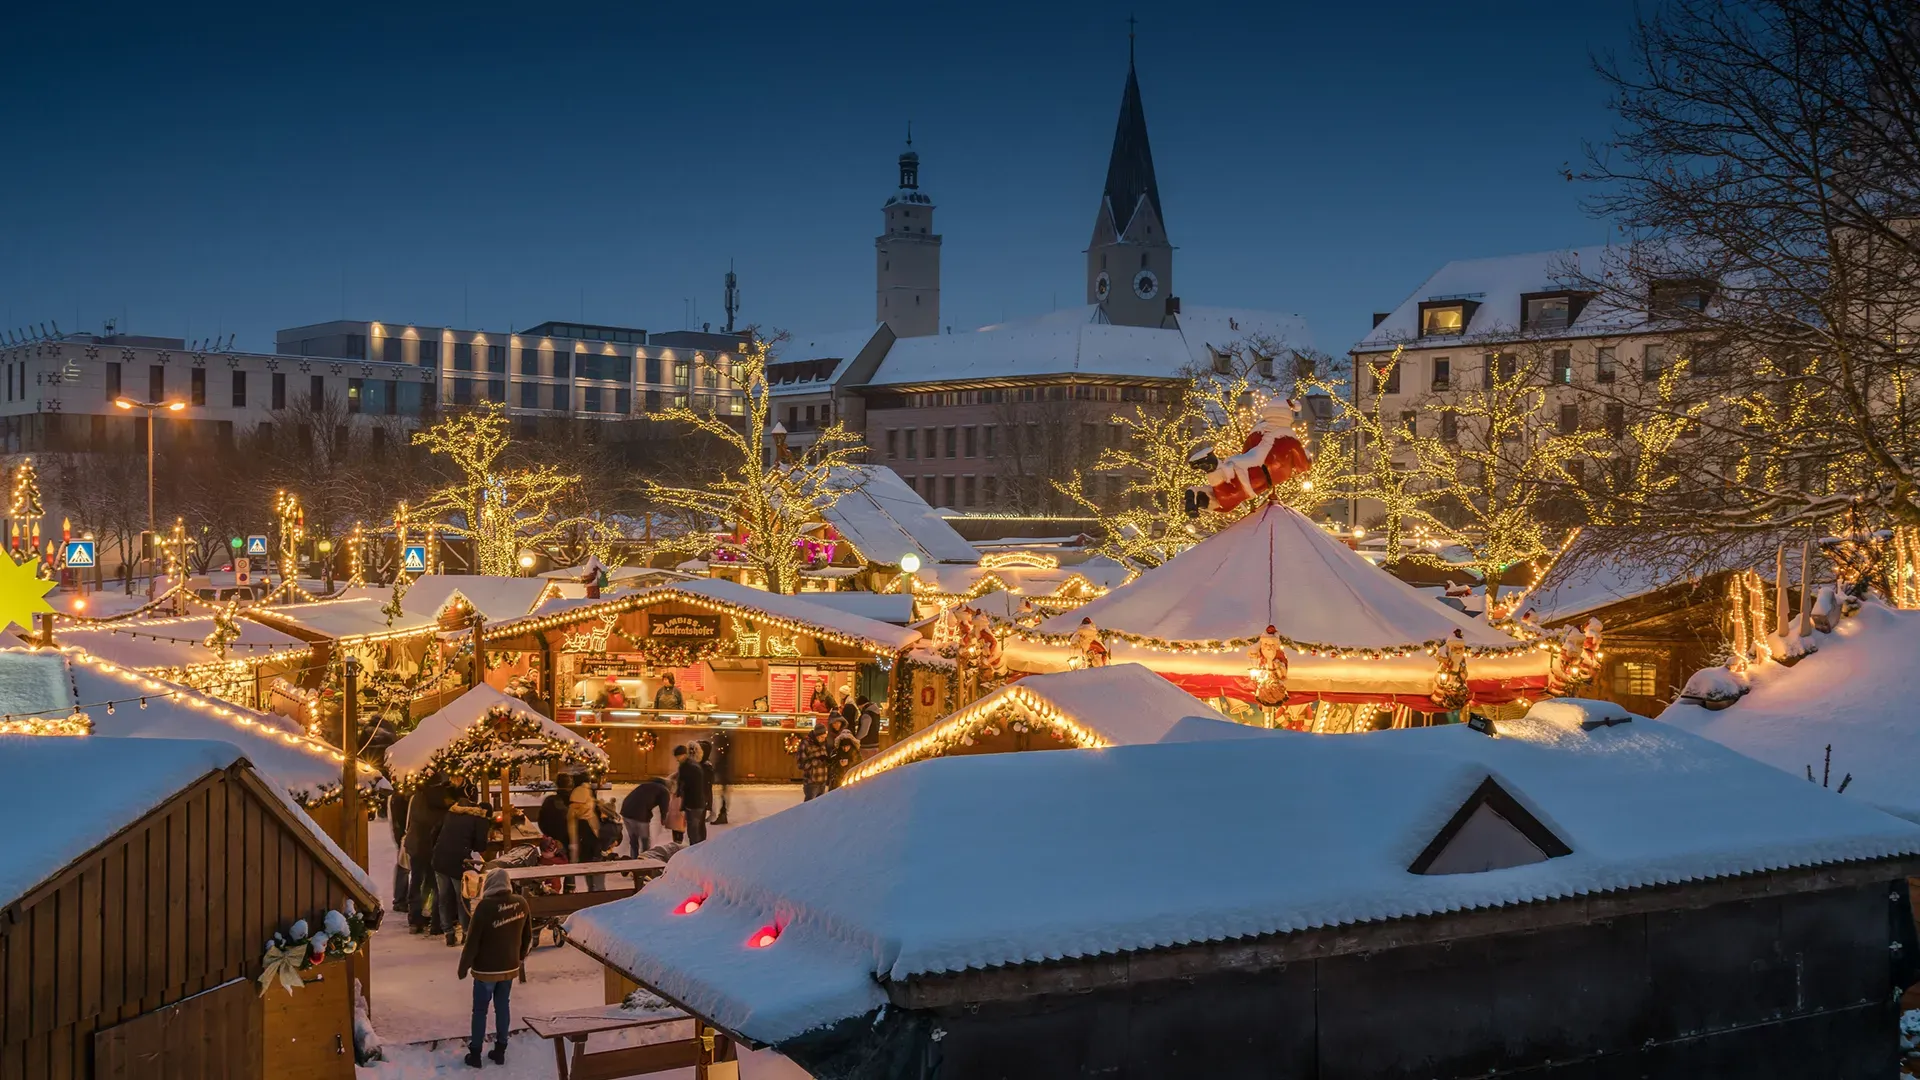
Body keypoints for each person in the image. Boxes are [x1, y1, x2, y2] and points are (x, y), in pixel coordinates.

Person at [457, 868, 533, 1069]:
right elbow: (527, 936)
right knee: (502, 1007)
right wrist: (519, 957)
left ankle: (475, 1054)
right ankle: (500, 1050)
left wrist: (463, 966)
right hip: (508, 967)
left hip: (486, 970)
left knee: (480, 1010)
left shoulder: (484, 907)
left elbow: (472, 941)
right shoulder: (521, 903)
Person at [432, 785, 493, 946]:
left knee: (444, 896)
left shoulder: (453, 812)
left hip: (439, 858)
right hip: (459, 861)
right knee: (462, 897)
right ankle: (466, 932)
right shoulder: (480, 819)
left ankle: (449, 933)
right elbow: (481, 846)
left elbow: (435, 832)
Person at [403, 778, 451, 933]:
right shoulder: (444, 800)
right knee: (436, 884)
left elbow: (412, 820)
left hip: (417, 845)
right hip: (434, 846)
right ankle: (436, 922)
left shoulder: (418, 797)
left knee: (416, 881)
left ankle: (415, 919)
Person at [567, 783, 606, 891]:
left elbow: (610, 828)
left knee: (597, 884)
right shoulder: (577, 815)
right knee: (592, 882)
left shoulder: (597, 811)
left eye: (579, 804)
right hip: (588, 854)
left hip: (596, 853)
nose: (576, 807)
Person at [620, 775, 671, 857]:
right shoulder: (664, 790)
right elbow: (664, 808)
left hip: (626, 811)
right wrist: (663, 819)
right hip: (640, 815)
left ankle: (634, 858)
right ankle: (645, 859)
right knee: (645, 840)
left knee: (633, 839)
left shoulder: (644, 785)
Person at [677, 742, 710, 844]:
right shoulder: (705, 767)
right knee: (698, 826)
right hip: (701, 800)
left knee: (694, 828)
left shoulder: (690, 767)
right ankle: (700, 847)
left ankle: (695, 848)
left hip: (694, 801)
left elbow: (684, 786)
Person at [387, 789, 411, 911]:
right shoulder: (402, 796)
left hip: (404, 834)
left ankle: (401, 898)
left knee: (403, 866)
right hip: (406, 834)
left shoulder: (398, 796)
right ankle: (401, 899)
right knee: (404, 867)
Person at [827, 717, 862, 791]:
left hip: (853, 783)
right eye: (843, 747)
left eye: (847, 746)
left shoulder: (856, 754)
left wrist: (848, 764)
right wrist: (839, 765)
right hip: (838, 784)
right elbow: (831, 767)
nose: (845, 749)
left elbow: (859, 766)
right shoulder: (836, 753)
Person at [799, 725, 831, 801]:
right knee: (809, 806)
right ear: (817, 736)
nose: (824, 739)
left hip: (822, 781)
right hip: (811, 782)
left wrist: (827, 761)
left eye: (825, 737)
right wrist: (816, 761)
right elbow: (801, 764)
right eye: (822, 737)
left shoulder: (823, 743)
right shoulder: (805, 744)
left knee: (819, 807)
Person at [709, 730, 733, 825]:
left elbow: (721, 759)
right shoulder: (726, 746)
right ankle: (722, 814)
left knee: (723, 794)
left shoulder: (722, 748)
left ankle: (722, 814)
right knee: (723, 793)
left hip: (724, 771)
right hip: (725, 771)